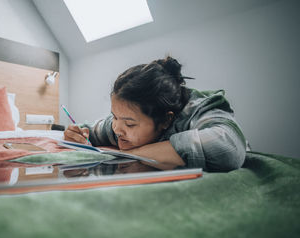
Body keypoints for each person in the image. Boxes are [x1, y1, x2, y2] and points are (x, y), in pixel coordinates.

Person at [64, 56, 247, 171]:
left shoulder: (200, 109)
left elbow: (227, 148)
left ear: (165, 120)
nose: (117, 129)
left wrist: (135, 153)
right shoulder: (118, 126)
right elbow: (90, 130)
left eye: (129, 124)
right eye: (115, 116)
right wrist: (78, 133)